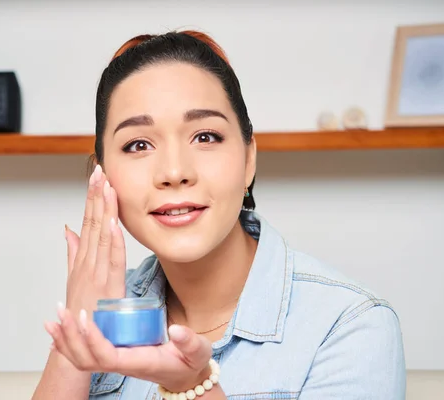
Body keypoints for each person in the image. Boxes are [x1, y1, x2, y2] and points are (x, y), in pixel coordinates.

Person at [32, 30, 406, 400]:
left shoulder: (351, 326)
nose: (174, 171)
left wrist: (190, 384)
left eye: (205, 136)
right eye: (139, 144)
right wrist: (75, 340)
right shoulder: (106, 308)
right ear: (103, 176)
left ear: (249, 159)